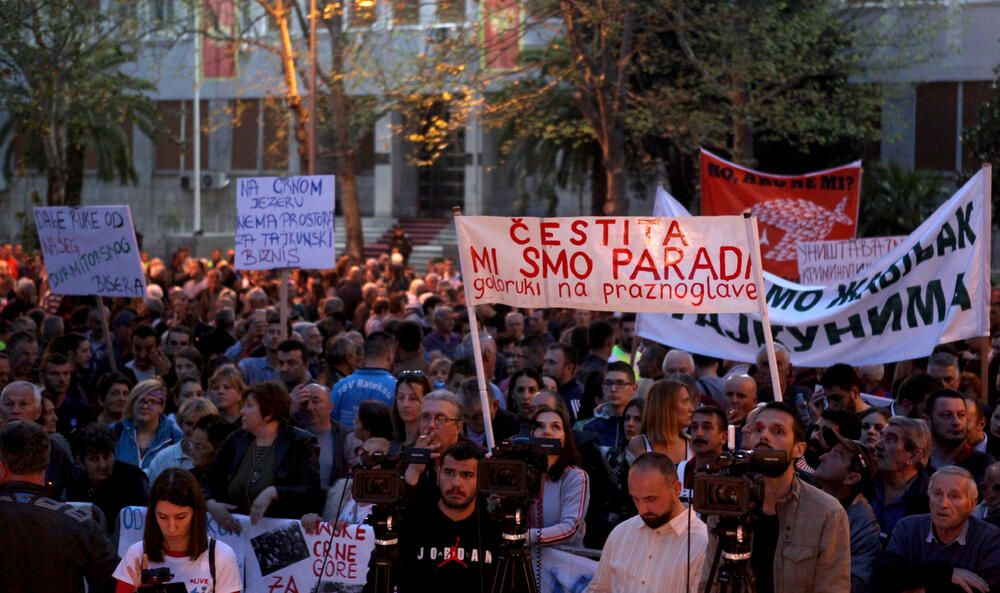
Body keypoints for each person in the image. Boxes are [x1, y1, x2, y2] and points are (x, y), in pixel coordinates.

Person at [701, 402, 850, 593]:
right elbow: (710, 583)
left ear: (799, 449)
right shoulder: (728, 503)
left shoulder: (827, 513)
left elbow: (832, 587)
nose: (764, 435)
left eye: (778, 431)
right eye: (758, 429)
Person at [364, 441, 501, 593]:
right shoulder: (409, 527)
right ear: (438, 473)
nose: (456, 483)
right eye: (449, 472)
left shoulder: (495, 532)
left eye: (467, 475)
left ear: (481, 479)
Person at [0, 420, 118, 593]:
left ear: (2, 467)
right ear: (46, 462)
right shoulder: (78, 523)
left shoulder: (78, 525)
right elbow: (120, 582)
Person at [205, 381, 322, 531]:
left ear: (268, 414)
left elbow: (311, 490)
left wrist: (274, 492)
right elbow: (209, 475)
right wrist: (210, 503)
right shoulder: (236, 439)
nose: (242, 411)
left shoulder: (300, 442)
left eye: (249, 406)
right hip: (235, 535)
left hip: (280, 537)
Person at [586, 452, 708, 593]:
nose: (641, 509)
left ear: (677, 489)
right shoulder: (620, 533)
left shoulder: (702, 543)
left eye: (651, 499)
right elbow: (599, 589)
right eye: (636, 499)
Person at [872, 465, 1000, 592]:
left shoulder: (989, 538)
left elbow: (984, 589)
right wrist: (945, 574)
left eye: (954, 496)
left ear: (972, 504)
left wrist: (918, 584)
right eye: (937, 494)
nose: (943, 504)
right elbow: (884, 579)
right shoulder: (907, 528)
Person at [113, 467, 242, 593]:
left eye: (181, 517)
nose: (171, 528)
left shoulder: (220, 556)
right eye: (162, 517)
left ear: (196, 514)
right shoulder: (137, 554)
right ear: (153, 515)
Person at [813, 429, 881, 593]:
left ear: (851, 478)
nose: (822, 457)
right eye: (828, 452)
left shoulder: (864, 525)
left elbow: (856, 584)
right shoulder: (801, 495)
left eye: (835, 455)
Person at [68, 422, 150, 533]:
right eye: (94, 459)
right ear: (80, 461)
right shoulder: (75, 484)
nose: (103, 465)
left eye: (107, 457)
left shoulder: (133, 479)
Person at [529, 405, 590, 546]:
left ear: (565, 438)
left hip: (563, 562)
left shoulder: (575, 477)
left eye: (555, 427)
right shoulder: (519, 473)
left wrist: (524, 537)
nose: (547, 432)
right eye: (540, 426)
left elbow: (569, 528)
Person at [871, 416, 932, 540]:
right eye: (880, 436)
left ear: (914, 456)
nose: (878, 445)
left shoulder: (931, 500)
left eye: (890, 440)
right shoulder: (862, 483)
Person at [113, 378, 184, 472]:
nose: (145, 406)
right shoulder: (116, 432)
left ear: (162, 407)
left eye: (153, 401)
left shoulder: (175, 439)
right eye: (141, 400)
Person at [925, 389, 995, 483]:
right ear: (927, 420)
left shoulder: (984, 465)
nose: (956, 422)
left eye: (961, 415)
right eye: (946, 415)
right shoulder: (916, 462)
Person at [290, 382, 351, 489]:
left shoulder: (344, 437)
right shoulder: (291, 432)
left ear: (331, 407)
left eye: (316, 401)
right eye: (304, 402)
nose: (309, 407)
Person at [330, 331, 398, 428]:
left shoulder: (340, 386)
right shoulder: (396, 388)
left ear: (364, 354)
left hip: (345, 442)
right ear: (390, 355)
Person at [147, 397, 219, 481]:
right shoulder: (163, 459)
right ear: (181, 425)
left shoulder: (222, 456)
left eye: (200, 424)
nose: (194, 429)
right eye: (189, 423)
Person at [627, 379, 694, 465]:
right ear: (666, 407)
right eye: (685, 401)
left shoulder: (692, 445)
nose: (691, 408)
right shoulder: (639, 445)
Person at [579, 361, 637, 448]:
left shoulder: (640, 426)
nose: (613, 389)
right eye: (608, 383)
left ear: (634, 388)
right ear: (602, 388)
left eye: (620, 383)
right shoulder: (589, 428)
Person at [457, 377, 520, 448]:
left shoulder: (514, 427)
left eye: (478, 416)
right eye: (465, 416)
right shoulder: (455, 426)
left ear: (495, 405)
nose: (472, 424)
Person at [679, 406, 727, 496]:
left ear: (724, 437)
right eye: (694, 427)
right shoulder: (679, 473)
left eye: (706, 427)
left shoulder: (733, 475)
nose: (699, 433)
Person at [543, 342, 585, 421]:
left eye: (551, 362)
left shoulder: (575, 400)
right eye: (545, 361)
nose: (545, 367)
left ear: (569, 368)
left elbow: (577, 431)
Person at [391, 370, 432, 446]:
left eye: (413, 398)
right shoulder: (392, 438)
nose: (405, 404)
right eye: (401, 397)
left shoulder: (429, 443)